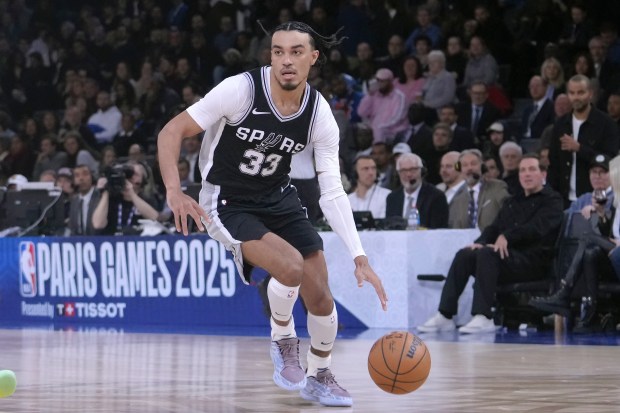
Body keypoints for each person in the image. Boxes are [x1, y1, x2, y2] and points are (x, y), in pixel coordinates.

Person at [156, 21, 387, 408]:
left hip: (278, 196)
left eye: (297, 52)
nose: (286, 60)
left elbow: (331, 190)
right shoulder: (240, 90)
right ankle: (283, 340)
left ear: (313, 58)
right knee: (290, 267)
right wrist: (174, 191)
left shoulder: (318, 113)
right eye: (278, 51)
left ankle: (320, 375)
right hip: (227, 200)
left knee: (321, 298)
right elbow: (171, 131)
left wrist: (359, 257)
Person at [418, 154, 563, 333]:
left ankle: (483, 316)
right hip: (507, 258)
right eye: (523, 170)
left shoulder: (553, 200)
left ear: (543, 174)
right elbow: (494, 227)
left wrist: (508, 237)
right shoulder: (513, 201)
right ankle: (445, 314)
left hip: (534, 261)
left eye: (532, 169)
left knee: (488, 254)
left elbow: (538, 228)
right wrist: (480, 242)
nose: (526, 174)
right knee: (466, 253)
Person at [529, 155, 620, 332]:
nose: (601, 177)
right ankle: (588, 317)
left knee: (588, 237)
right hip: (615, 256)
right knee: (589, 253)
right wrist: (601, 214)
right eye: (594, 172)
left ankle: (564, 292)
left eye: (607, 173)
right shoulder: (616, 202)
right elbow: (608, 232)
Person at [547, 75, 619, 207]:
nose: (576, 97)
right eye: (572, 93)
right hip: (564, 200)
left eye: (580, 92)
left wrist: (579, 149)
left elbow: (611, 161)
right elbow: (553, 166)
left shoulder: (606, 124)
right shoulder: (561, 125)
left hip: (598, 199)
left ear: (590, 94)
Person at [449, 149, 509, 230]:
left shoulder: (497, 187)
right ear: (460, 170)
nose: (469, 168)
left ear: (482, 167)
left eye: (473, 164)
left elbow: (509, 213)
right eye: (465, 165)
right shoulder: (458, 199)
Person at [385, 153, 448, 229]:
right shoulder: (392, 198)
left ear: (421, 171)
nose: (408, 174)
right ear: (398, 173)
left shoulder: (436, 197)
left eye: (413, 170)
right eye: (403, 170)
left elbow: (437, 231)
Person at [68, 164, 100, 236]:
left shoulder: (100, 197)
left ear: (92, 177)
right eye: (77, 175)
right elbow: (72, 228)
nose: (81, 178)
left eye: (85, 174)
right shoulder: (74, 200)